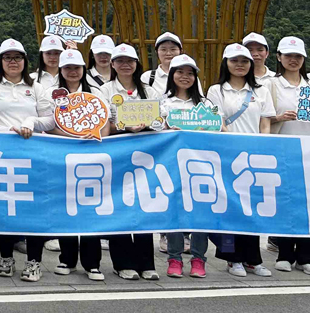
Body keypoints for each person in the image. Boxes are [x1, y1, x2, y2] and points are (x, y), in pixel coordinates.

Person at [0, 39, 53, 282]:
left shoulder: (37, 87)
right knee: (4, 210)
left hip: (33, 156)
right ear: (0, 62)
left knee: (34, 210)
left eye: (17, 57)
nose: (12, 62)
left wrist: (30, 122)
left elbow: (50, 120)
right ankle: (6, 258)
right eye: (7, 58)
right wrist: (7, 129)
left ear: (25, 61)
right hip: (2, 156)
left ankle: (34, 262)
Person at [207, 43, 275, 278]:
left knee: (252, 208)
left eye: (244, 61)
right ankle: (232, 258)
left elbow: (265, 122)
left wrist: (261, 145)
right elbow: (218, 121)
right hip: (227, 155)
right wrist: (234, 143)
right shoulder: (216, 90)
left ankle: (253, 260)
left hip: (255, 156)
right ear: (226, 63)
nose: (240, 65)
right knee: (230, 208)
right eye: (234, 61)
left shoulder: (261, 90)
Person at [44, 50, 107, 281]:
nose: (72, 71)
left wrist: (95, 135)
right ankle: (67, 259)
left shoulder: (96, 93)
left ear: (83, 69)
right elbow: (46, 125)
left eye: (77, 67)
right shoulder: (51, 94)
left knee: (90, 208)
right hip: (61, 157)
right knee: (66, 207)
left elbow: (106, 123)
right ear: (60, 70)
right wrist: (70, 135)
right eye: (67, 67)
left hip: (92, 158)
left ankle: (93, 264)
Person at [100, 43, 160, 280]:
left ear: (137, 64)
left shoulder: (149, 91)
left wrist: (148, 124)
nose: (126, 65)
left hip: (146, 154)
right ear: (113, 64)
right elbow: (103, 126)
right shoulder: (104, 90)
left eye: (130, 61)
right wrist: (124, 127)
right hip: (117, 152)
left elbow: (160, 120)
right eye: (120, 61)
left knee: (144, 205)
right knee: (120, 205)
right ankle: (122, 262)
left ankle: (147, 263)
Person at [158, 53, 211, 279]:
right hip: (172, 165)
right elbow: (155, 130)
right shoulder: (163, 101)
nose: (185, 77)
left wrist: (205, 131)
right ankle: (174, 259)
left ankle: (198, 259)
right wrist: (168, 131)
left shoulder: (206, 104)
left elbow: (216, 130)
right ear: (172, 75)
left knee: (201, 212)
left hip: (201, 166)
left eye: (190, 73)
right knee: (175, 212)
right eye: (180, 72)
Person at [268, 37, 310, 272]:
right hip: (283, 149)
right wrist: (279, 117)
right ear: (279, 57)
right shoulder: (271, 85)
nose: (293, 60)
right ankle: (284, 253)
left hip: (308, 149)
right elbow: (263, 115)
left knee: (308, 205)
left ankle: (305, 255)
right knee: (286, 202)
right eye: (288, 55)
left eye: (298, 56)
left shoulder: (309, 83)